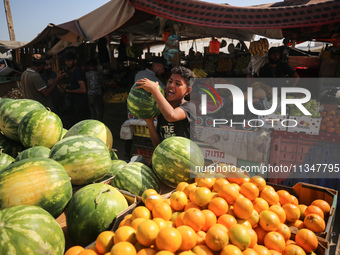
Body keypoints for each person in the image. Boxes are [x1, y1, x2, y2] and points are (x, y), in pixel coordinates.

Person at [136, 66, 196, 148]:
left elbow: (171, 116)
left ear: (188, 91)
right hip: (168, 159)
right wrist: (150, 123)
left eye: (178, 84)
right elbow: (159, 146)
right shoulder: (163, 111)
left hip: (185, 159)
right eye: (170, 81)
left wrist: (154, 89)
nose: (171, 85)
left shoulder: (189, 107)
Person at [62, 52, 90, 125]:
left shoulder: (78, 72)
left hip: (81, 106)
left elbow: (83, 90)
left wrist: (69, 91)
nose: (68, 63)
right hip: (77, 105)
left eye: (70, 60)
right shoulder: (74, 72)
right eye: (66, 61)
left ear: (75, 61)